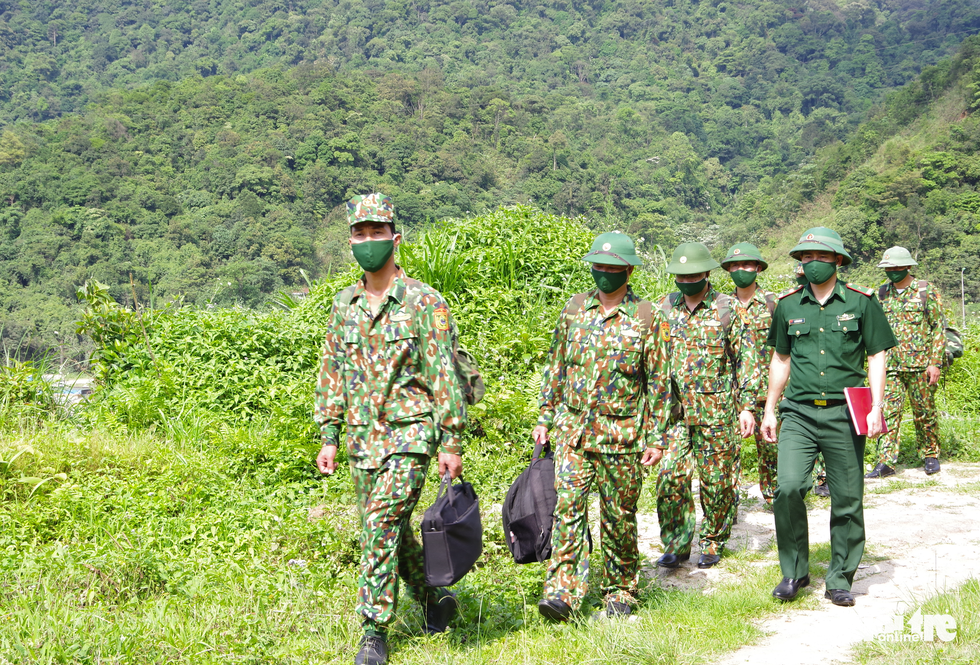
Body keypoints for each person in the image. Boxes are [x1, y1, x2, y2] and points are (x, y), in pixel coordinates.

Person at [314, 193, 467, 665]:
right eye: (359, 234)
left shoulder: (424, 302)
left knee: (379, 525)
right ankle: (433, 600)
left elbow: (444, 373)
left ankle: (373, 631)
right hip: (362, 439)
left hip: (410, 434)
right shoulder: (345, 304)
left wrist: (451, 439)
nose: (367, 241)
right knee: (393, 533)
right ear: (350, 241)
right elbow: (332, 369)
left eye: (376, 232)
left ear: (394, 238)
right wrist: (329, 433)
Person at [533, 232, 671, 622]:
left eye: (613, 268)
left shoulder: (647, 317)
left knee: (618, 515)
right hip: (573, 432)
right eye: (599, 266)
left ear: (628, 270)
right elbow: (556, 367)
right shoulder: (575, 309)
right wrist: (546, 416)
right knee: (568, 510)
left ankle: (620, 589)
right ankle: (563, 592)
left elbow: (659, 382)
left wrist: (657, 438)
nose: (604, 273)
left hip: (622, 437)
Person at [761, 227, 896, 607]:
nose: (811, 263)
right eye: (805, 258)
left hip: (844, 413)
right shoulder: (788, 306)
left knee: (848, 497)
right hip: (799, 413)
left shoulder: (862, 302)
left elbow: (876, 355)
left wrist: (877, 407)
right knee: (787, 487)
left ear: (838, 260)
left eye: (820, 257)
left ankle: (839, 577)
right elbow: (781, 358)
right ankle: (794, 571)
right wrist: (770, 409)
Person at [656, 242, 759, 570]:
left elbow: (747, 359)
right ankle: (677, 541)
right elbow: (653, 357)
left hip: (717, 413)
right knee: (670, 476)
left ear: (707, 273)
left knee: (717, 481)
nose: (687, 280)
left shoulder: (726, 308)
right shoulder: (665, 307)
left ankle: (713, 539)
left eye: (694, 274)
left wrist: (747, 407)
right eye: (682, 275)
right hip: (676, 415)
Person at [868, 246, 946, 477]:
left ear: (908, 267)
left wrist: (935, 362)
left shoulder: (925, 291)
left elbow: (938, 328)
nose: (892, 271)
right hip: (890, 366)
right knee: (887, 412)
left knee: (924, 411)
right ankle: (886, 461)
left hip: (921, 365)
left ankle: (930, 454)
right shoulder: (881, 293)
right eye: (888, 268)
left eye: (896, 267)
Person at [722, 242, 777, 505]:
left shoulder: (773, 304)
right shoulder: (722, 306)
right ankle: (728, 501)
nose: (741, 270)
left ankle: (774, 497)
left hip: (768, 389)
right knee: (728, 450)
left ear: (757, 268)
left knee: (771, 448)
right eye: (735, 265)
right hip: (731, 390)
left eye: (746, 265)